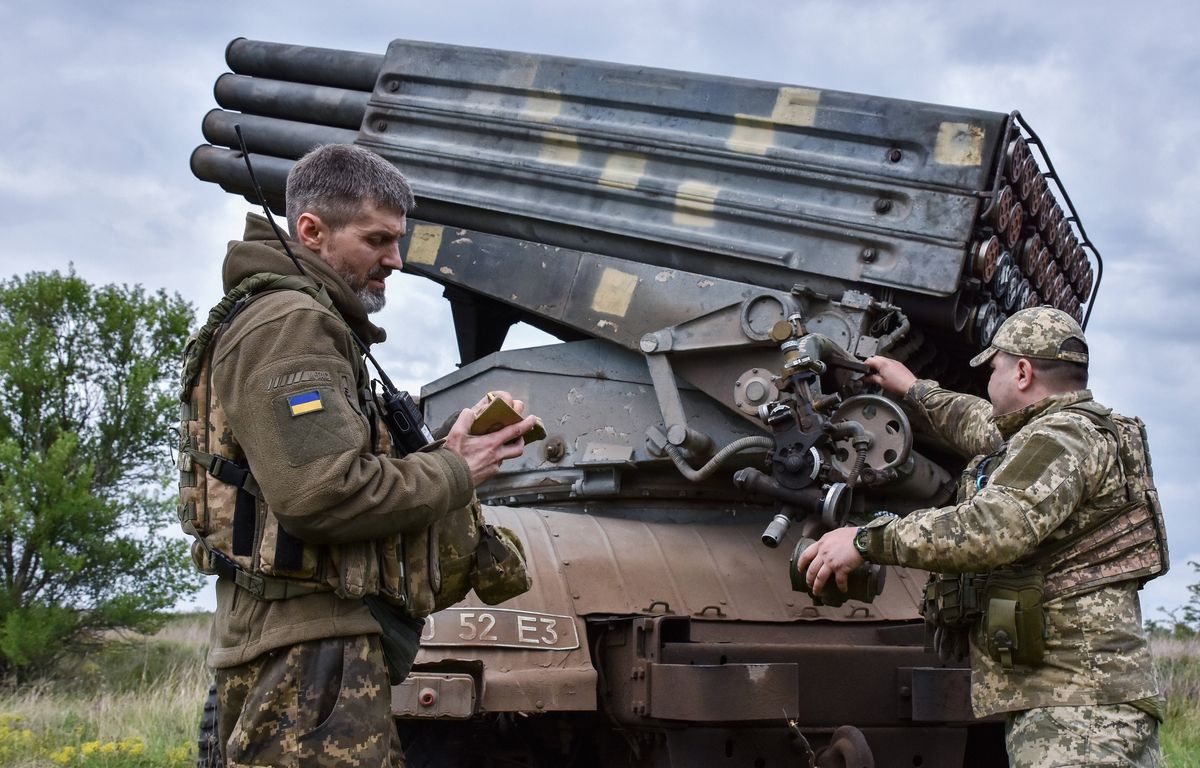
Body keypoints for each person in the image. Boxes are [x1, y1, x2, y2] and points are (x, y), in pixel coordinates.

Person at [182, 144, 538, 767]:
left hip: (311, 648)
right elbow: (323, 493)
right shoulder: (290, 325)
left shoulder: (305, 320)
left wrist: (451, 440)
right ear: (312, 231)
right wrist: (457, 469)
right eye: (377, 240)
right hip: (309, 659)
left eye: (398, 241)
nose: (395, 261)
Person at [796, 306, 1165, 767]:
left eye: (994, 369)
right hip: (1081, 700)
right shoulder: (1062, 431)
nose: (989, 383)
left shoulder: (1063, 440)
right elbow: (976, 422)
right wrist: (911, 388)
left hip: (1079, 712)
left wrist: (866, 540)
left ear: (1023, 372)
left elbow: (989, 528)